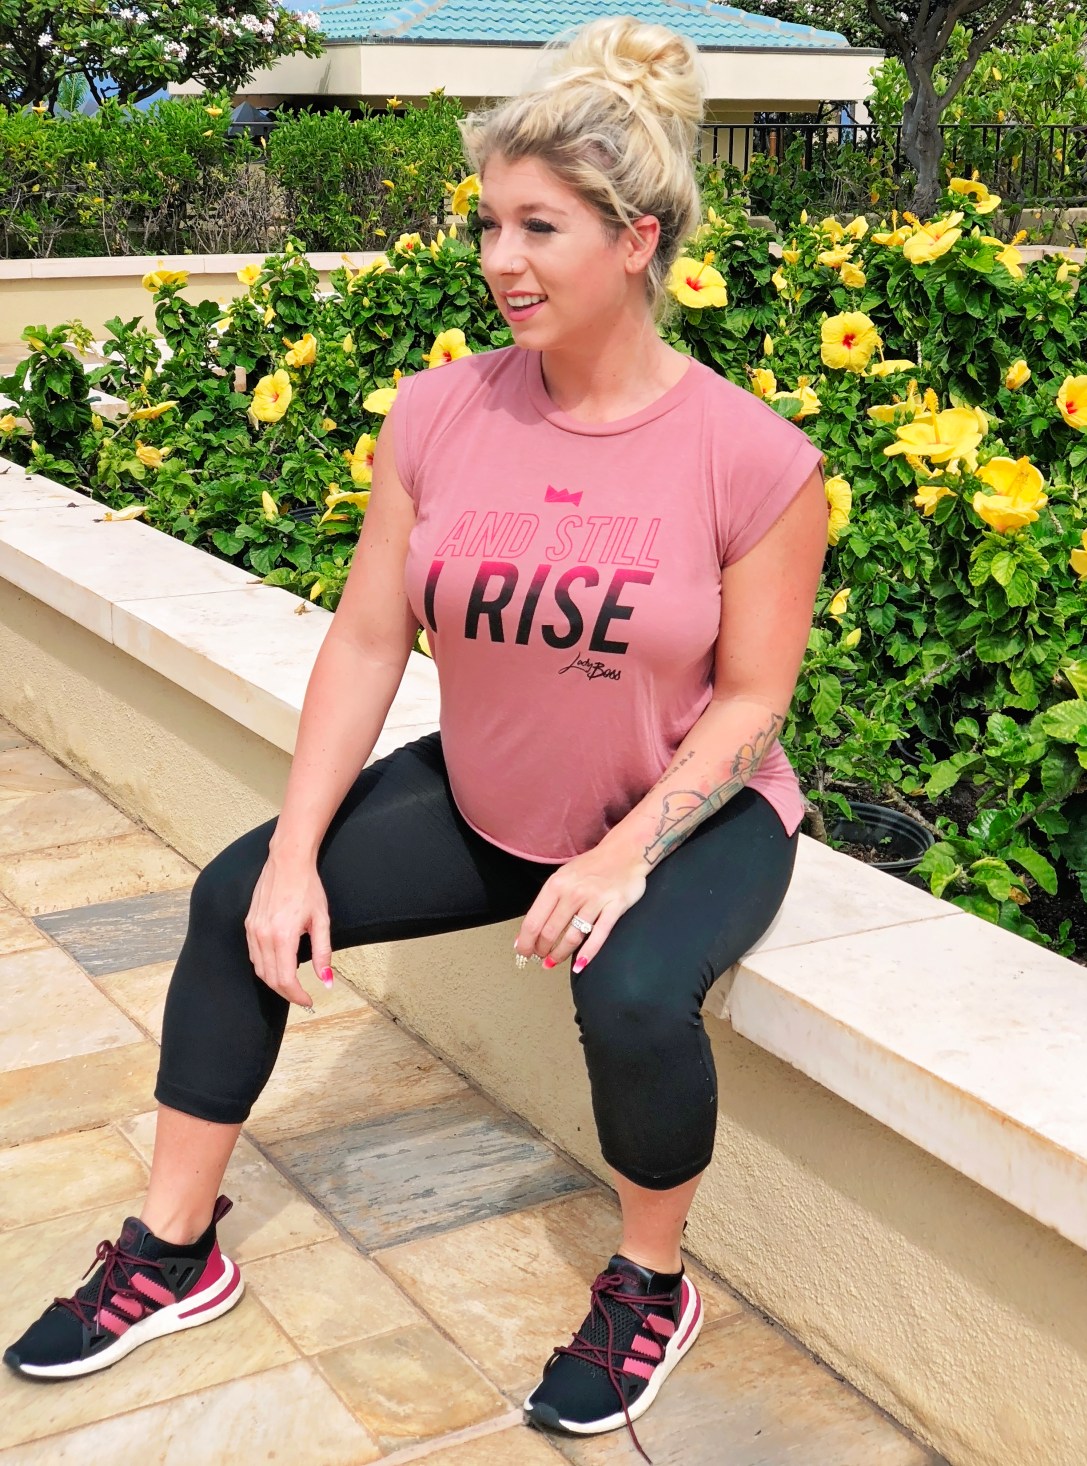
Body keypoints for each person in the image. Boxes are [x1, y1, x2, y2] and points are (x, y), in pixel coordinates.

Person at [5, 15, 827, 1457]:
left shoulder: (751, 455)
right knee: (235, 897)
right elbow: (370, 639)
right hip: (493, 800)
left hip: (690, 813)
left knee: (634, 991)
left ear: (637, 241)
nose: (501, 259)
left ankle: (650, 1281)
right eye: (488, 224)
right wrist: (296, 852)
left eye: (539, 227)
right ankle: (174, 1245)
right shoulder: (442, 413)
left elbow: (755, 700)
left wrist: (624, 855)